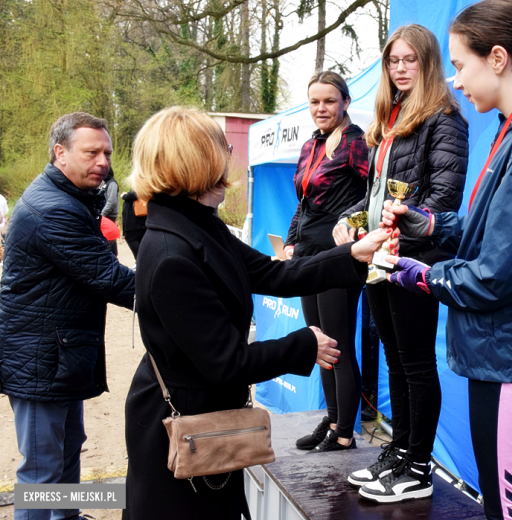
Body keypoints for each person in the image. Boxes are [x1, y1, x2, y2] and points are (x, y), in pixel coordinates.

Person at [381, 2, 512, 518]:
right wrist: (429, 224)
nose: (454, 81)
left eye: (459, 65)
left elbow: (501, 271)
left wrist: (426, 276)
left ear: (497, 58)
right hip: (499, 356)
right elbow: (488, 231)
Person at [122, 107, 387, 520]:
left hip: (206, 418)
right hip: (180, 431)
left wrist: (349, 255)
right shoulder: (173, 253)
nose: (230, 157)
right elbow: (227, 362)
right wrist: (303, 344)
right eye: (222, 149)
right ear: (198, 162)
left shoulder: (196, 225)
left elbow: (271, 272)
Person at [336, 24, 468, 503]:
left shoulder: (445, 119)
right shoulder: (385, 122)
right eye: (393, 60)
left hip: (415, 260)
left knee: (415, 362)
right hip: (379, 256)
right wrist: (356, 221)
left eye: (410, 60)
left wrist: (405, 217)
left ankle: (418, 467)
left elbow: (444, 201)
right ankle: (399, 451)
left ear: (428, 63)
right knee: (395, 358)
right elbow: (373, 196)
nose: (400, 68)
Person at [0, 112, 135, 520]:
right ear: (60, 153)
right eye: (92, 152)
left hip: (61, 354)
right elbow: (110, 279)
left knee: (69, 447)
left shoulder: (73, 198)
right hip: (39, 359)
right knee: (41, 471)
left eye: (107, 153)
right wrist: (182, 292)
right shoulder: (53, 209)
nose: (103, 162)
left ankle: (69, 516)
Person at [284, 71, 370, 452]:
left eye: (329, 101)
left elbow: (376, 193)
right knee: (319, 343)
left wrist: (353, 225)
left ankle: (346, 434)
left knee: (338, 345)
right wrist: (290, 242)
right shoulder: (310, 145)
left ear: (345, 103)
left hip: (338, 259)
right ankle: (333, 418)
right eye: (315, 101)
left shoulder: (356, 143)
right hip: (306, 259)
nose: (321, 108)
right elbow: (303, 204)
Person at [120, 190, 147, 260]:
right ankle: (142, 262)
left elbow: (133, 194)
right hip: (138, 218)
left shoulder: (140, 180)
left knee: (131, 238)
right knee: (140, 240)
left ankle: (142, 261)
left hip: (135, 219)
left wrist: (124, 196)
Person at [101, 167, 119, 255]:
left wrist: (102, 213)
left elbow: (112, 201)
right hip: (104, 212)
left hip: (109, 213)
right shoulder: (105, 183)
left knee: (110, 234)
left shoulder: (112, 183)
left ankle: (112, 254)